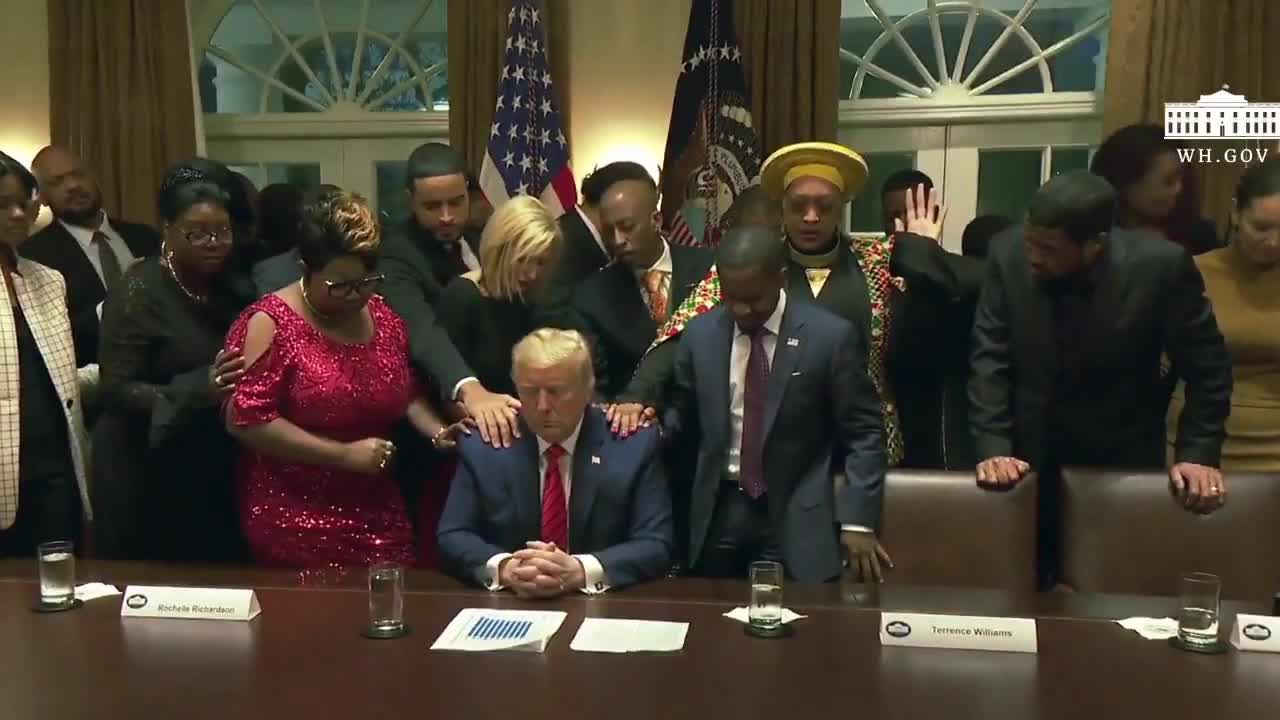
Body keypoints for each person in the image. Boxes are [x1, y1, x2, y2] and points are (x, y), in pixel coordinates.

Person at [608, 143, 980, 466]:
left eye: (825, 206)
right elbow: (680, 332)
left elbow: (961, 287)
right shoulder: (754, 264)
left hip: (865, 451)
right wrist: (637, 395)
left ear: (842, 208)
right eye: (799, 206)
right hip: (780, 452)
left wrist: (921, 248)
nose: (811, 217)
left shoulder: (875, 261)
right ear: (781, 209)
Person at [970, 171, 1233, 585]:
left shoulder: (1160, 266)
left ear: (1096, 243)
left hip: (1119, 462)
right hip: (1026, 461)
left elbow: (1208, 369)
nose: (1033, 256)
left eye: (1049, 249)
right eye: (1030, 242)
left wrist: (1197, 452)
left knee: (1115, 591)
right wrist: (993, 445)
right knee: (1022, 594)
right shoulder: (1006, 254)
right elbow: (990, 356)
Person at [224, 191, 470, 568]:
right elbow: (246, 419)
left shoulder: (383, 317)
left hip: (378, 507)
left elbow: (403, 390)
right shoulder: (269, 323)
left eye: (367, 281)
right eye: (340, 285)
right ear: (307, 267)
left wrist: (437, 431)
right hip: (292, 515)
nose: (356, 295)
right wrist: (343, 455)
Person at [665, 227, 887, 582]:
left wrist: (859, 520)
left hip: (797, 510)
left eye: (753, 298)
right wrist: (644, 419)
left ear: (781, 279)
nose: (742, 309)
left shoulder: (829, 337)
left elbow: (864, 433)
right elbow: (682, 416)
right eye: (731, 296)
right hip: (719, 509)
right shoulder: (701, 336)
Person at [92, 159, 254, 562]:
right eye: (196, 234)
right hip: (144, 468)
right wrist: (200, 388)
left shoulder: (232, 286)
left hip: (212, 459)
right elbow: (115, 390)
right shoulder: (139, 290)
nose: (213, 243)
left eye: (221, 232)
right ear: (167, 230)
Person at [438, 328, 673, 596]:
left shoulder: (632, 443)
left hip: (605, 608)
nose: (542, 406)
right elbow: (453, 536)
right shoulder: (484, 444)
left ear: (588, 390)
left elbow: (657, 543)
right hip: (513, 603)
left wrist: (579, 571)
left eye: (556, 392)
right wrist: (507, 569)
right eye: (529, 391)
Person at [380, 142, 522, 448]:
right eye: (432, 206)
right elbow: (422, 330)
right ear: (411, 201)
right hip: (436, 423)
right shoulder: (396, 254)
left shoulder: (480, 237)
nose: (447, 216)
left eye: (456, 203)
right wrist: (469, 389)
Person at [0, 152, 94, 556]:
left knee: (60, 587)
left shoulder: (47, 279)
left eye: (26, 202)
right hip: (5, 465)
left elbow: (55, 377)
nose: (19, 214)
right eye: (3, 205)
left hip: (55, 461)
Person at [1167, 161, 1280, 471]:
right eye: (1261, 227)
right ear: (1235, 212)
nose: (1273, 242)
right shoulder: (1190, 271)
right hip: (1193, 449)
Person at [570, 162, 713, 399]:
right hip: (633, 421)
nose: (617, 240)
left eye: (627, 227)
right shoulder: (592, 296)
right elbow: (595, 384)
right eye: (608, 231)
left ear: (656, 221)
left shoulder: (707, 268)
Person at [22, 145, 160, 366]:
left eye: (78, 174)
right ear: (43, 197)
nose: (74, 186)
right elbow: (47, 339)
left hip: (166, 381)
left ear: (94, 178)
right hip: (94, 387)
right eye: (57, 182)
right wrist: (116, 302)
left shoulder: (146, 237)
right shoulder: (32, 257)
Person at [437, 196, 562, 397]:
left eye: (540, 262)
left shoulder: (533, 297)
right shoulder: (462, 297)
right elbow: (444, 386)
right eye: (523, 260)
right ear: (499, 251)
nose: (532, 274)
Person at [1090, 123, 1219, 255]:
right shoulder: (1094, 241)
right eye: (1168, 181)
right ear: (1126, 185)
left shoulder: (1200, 236)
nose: (1179, 189)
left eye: (1182, 178)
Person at [252, 184, 341, 294]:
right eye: (316, 219)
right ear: (301, 223)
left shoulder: (363, 267)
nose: (325, 227)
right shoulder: (270, 271)